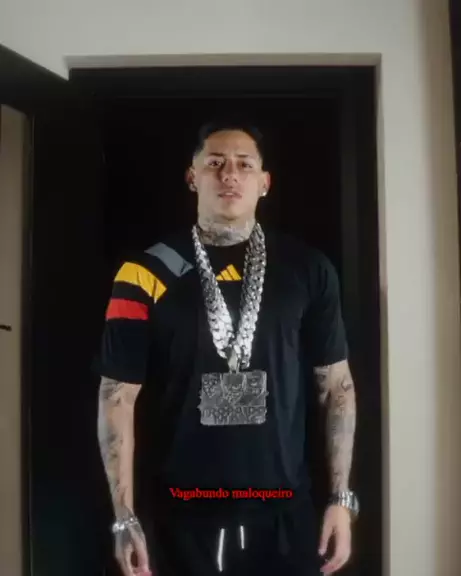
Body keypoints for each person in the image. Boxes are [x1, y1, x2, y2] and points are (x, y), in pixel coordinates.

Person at [95, 120, 358, 576]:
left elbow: (337, 387)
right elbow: (117, 396)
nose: (229, 174)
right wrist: (124, 516)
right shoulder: (143, 273)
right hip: (180, 518)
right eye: (215, 163)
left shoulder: (308, 270)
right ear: (192, 176)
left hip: (284, 513)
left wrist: (340, 499)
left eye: (244, 164)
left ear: (265, 182)